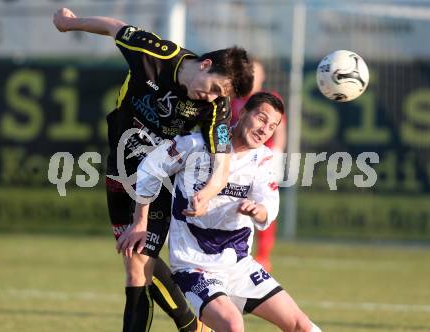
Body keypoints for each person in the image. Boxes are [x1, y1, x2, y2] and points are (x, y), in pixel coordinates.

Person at [53, 7, 254, 332]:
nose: (213, 96)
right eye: (215, 87)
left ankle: (189, 325)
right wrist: (69, 24)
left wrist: (207, 193)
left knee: (137, 265)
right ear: (205, 64)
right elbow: (115, 27)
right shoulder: (156, 54)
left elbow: (222, 160)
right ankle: (192, 326)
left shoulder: (216, 107)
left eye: (221, 95)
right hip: (120, 165)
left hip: (162, 178)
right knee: (135, 258)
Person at [131, 92, 321, 332]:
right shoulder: (195, 144)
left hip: (239, 265)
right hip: (195, 265)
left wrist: (258, 210)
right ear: (242, 113)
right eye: (261, 119)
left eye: (272, 126)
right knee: (232, 325)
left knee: (301, 325)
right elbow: (150, 168)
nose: (265, 129)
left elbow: (268, 209)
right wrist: (140, 222)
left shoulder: (263, 160)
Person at [231, 59, 287, 272]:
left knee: (265, 204)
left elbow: (280, 129)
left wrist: (277, 155)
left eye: (257, 74)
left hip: (264, 161)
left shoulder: (269, 101)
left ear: (262, 77)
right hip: (239, 161)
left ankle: (263, 255)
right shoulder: (233, 98)